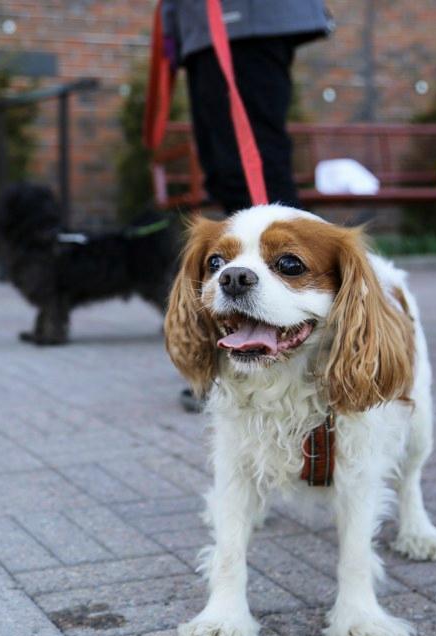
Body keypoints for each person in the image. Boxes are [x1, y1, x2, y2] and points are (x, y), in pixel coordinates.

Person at [154, 0, 331, 411]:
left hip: (247, 22)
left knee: (257, 169)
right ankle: (251, 346)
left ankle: (308, 361)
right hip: (200, 30)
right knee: (225, 172)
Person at [162, 0, 332, 213]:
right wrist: (172, 28)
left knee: (251, 171)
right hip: (200, 32)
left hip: (241, 23)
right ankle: (264, 240)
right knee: (222, 171)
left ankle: (285, 242)